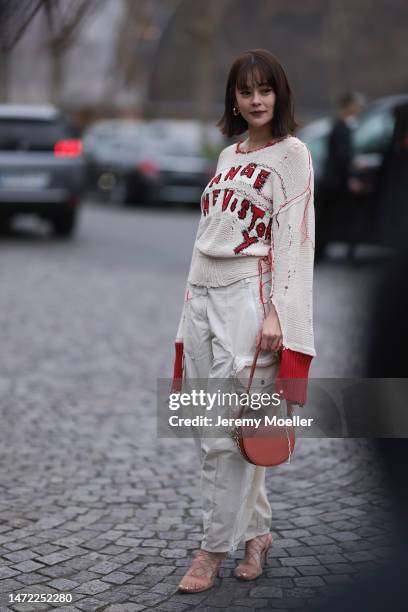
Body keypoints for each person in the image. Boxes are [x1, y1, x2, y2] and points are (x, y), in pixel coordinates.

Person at [170, 48, 316, 593]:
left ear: (279, 95)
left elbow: (294, 242)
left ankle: (210, 551)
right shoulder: (228, 157)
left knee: (227, 437)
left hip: (248, 300)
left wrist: (280, 310)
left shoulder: (293, 155)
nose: (256, 100)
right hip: (202, 298)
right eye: (245, 91)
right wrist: (187, 310)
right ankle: (256, 534)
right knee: (216, 427)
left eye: (265, 90)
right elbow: (204, 238)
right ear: (233, 98)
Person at [318, 91, 365, 262]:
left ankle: (321, 252)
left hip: (333, 180)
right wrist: (351, 177)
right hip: (337, 182)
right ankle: (346, 254)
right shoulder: (342, 128)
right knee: (341, 217)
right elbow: (342, 157)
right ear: (348, 106)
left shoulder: (338, 126)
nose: (359, 109)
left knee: (328, 218)